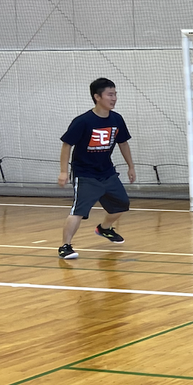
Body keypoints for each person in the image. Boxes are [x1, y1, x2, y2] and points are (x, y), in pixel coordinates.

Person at [57, 77, 135, 260]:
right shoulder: (83, 121)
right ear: (97, 97)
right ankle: (65, 246)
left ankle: (104, 228)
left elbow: (123, 143)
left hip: (107, 172)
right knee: (79, 211)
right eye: (110, 95)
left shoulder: (117, 119)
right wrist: (63, 171)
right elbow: (67, 145)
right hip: (85, 174)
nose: (114, 98)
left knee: (122, 204)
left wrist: (131, 166)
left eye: (115, 94)